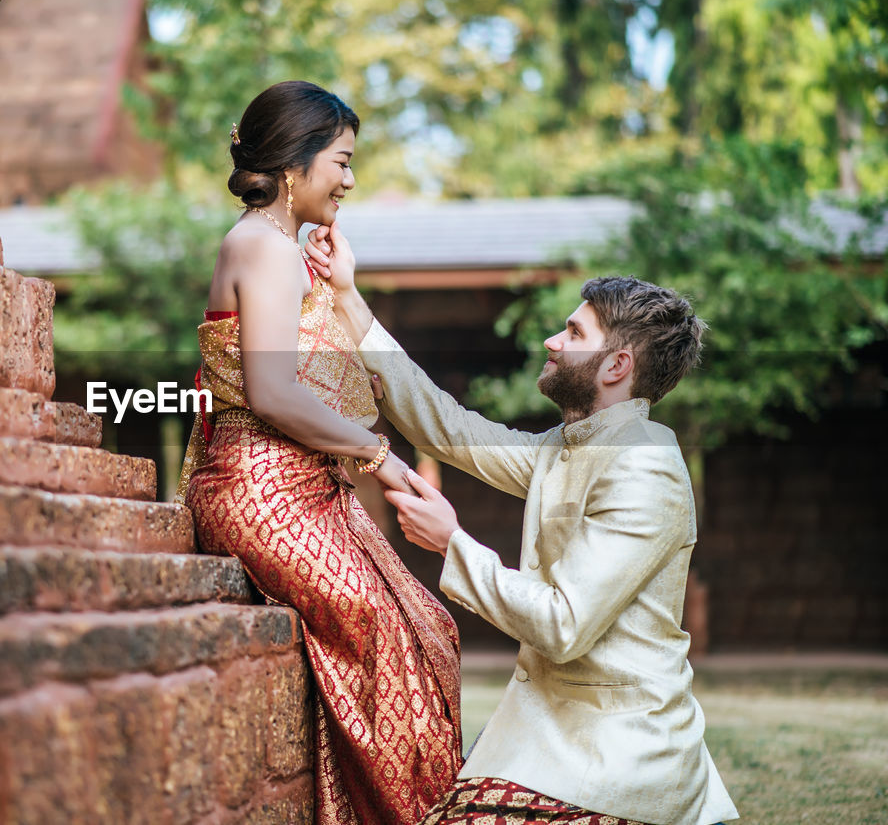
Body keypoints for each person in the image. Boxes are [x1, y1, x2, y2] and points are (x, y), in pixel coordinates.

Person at [306, 224, 739, 825]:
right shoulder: (564, 446)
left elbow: (563, 626)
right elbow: (450, 430)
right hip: (542, 735)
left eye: (573, 332)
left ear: (616, 365)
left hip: (619, 753)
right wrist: (348, 297)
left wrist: (452, 543)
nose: (551, 339)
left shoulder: (645, 469)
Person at [175, 81, 463, 824]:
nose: (351, 178)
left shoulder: (285, 252)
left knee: (429, 626)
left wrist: (340, 290)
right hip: (260, 487)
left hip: (307, 485)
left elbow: (322, 378)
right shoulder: (260, 247)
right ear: (296, 163)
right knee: (383, 633)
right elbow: (271, 392)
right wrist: (379, 456)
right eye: (342, 160)